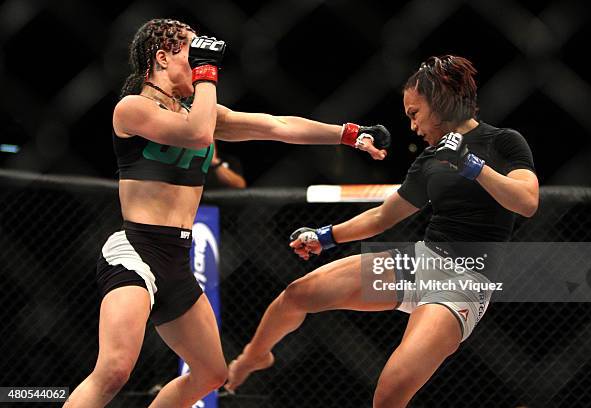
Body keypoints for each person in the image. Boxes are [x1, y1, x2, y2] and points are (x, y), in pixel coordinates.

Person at [64, 18, 390, 408]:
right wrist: (206, 73)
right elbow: (198, 134)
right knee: (115, 370)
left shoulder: (200, 111)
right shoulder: (131, 108)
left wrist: (348, 133)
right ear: (162, 58)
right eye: (192, 53)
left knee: (211, 374)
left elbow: (278, 125)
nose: (201, 62)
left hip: (176, 259)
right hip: (137, 251)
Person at [225, 55, 539, 407]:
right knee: (299, 292)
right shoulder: (432, 158)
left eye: (414, 113)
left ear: (440, 101)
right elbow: (384, 216)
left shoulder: (503, 142)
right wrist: (326, 236)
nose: (413, 126)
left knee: (390, 391)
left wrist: (471, 164)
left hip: (463, 281)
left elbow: (526, 201)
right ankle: (254, 355)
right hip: (422, 261)